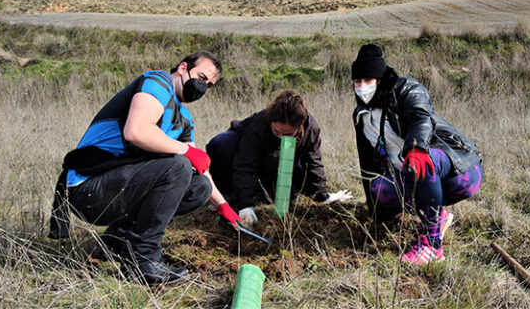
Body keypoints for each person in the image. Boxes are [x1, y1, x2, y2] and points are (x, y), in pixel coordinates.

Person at [48, 50, 239, 285]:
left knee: (198, 187)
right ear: (182, 68)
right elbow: (135, 131)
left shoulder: (184, 117)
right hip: (87, 188)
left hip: (118, 188)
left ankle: (119, 240)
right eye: (201, 77)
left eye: (208, 85)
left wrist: (223, 206)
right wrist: (187, 152)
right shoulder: (157, 83)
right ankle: (144, 259)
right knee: (178, 166)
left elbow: (199, 168)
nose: (202, 87)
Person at [350, 44, 483, 265]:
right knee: (379, 189)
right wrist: (374, 211)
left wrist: (416, 147)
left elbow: (421, 116)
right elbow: (367, 162)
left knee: (420, 163)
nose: (362, 87)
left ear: (380, 79)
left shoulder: (407, 89)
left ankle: (432, 246)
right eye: (358, 82)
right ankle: (438, 217)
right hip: (414, 177)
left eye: (368, 80)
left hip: (458, 169)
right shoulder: (361, 116)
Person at [206, 89, 352, 229]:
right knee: (221, 144)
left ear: (299, 126)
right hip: (255, 157)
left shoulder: (311, 129)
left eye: (288, 134)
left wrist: (323, 196)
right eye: (277, 132)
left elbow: (313, 162)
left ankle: (267, 191)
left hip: (284, 162)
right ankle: (229, 193)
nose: (282, 137)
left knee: (300, 177)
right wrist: (245, 206)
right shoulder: (258, 126)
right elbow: (244, 165)